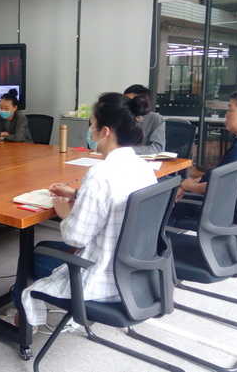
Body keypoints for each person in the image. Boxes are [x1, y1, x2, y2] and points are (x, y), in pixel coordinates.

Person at [12, 93, 157, 327]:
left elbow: (76, 238)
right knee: (45, 247)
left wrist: (64, 214)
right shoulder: (143, 167)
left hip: (102, 275)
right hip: (134, 270)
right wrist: (76, 194)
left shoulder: (100, 173)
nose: (89, 131)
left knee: (32, 255)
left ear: (105, 132)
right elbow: (116, 200)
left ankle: (22, 322)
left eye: (92, 124)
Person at [168, 89, 237, 226]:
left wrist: (189, 186)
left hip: (219, 210)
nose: (226, 115)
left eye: (230, 110)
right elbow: (218, 176)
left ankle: (161, 238)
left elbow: (220, 187)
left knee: (162, 200)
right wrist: (189, 184)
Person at [123, 84, 166, 155]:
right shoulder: (120, 116)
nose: (126, 104)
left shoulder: (156, 119)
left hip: (144, 159)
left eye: (130, 101)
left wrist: (128, 150)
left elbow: (157, 148)